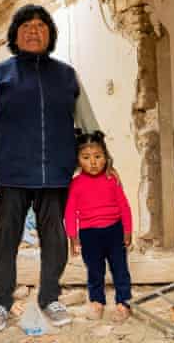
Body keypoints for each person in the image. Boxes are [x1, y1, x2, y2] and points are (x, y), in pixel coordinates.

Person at [0, 4, 100, 331]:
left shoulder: (66, 75)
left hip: (57, 174)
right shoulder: (0, 74)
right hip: (10, 174)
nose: (33, 30)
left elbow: (87, 122)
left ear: (50, 34)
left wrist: (99, 165)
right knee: (5, 239)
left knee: (55, 239)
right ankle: (1, 302)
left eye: (41, 26)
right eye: (26, 25)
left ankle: (49, 297)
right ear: (15, 35)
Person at [64, 131, 133, 323]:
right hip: (89, 235)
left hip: (114, 231)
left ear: (106, 157)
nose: (93, 162)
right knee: (94, 270)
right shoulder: (75, 184)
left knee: (120, 268)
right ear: (78, 160)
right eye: (86, 158)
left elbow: (124, 206)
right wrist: (73, 236)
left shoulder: (112, 179)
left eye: (98, 157)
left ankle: (123, 301)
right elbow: (70, 212)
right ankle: (97, 301)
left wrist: (127, 230)